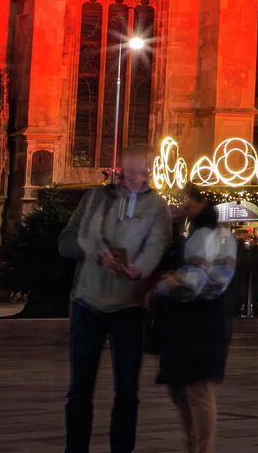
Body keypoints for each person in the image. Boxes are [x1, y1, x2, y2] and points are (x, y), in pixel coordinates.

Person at [59, 148, 171, 453]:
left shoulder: (157, 207)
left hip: (128, 307)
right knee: (80, 388)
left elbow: (158, 244)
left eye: (143, 172)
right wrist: (93, 252)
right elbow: (66, 241)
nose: (136, 179)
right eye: (131, 172)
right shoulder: (95, 199)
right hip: (88, 301)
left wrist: (139, 269)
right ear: (119, 171)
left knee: (126, 390)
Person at [152, 184, 237, 453]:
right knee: (180, 388)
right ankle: (194, 444)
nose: (180, 203)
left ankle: (201, 448)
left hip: (200, 321)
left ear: (200, 203)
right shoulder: (194, 234)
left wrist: (163, 285)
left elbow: (195, 283)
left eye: (185, 199)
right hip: (189, 321)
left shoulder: (211, 236)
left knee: (196, 389)